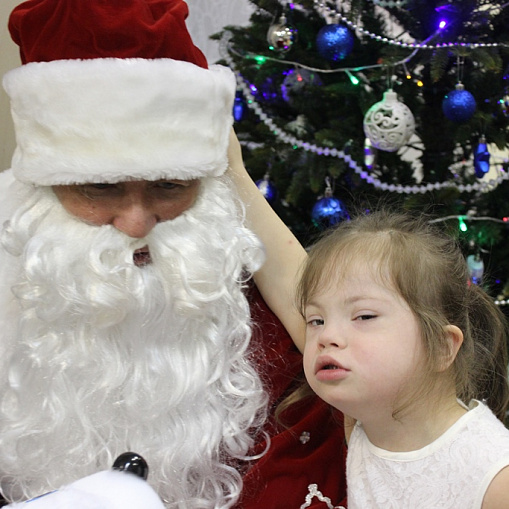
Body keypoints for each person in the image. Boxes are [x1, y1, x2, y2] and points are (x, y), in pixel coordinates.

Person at [0, 0, 348, 507]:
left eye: (169, 185)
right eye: (100, 188)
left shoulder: (266, 339)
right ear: (43, 187)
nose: (137, 222)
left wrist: (238, 177)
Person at [298, 210, 509, 508]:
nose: (326, 335)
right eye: (315, 320)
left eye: (364, 316)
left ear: (441, 346)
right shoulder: (362, 422)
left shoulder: (496, 475)